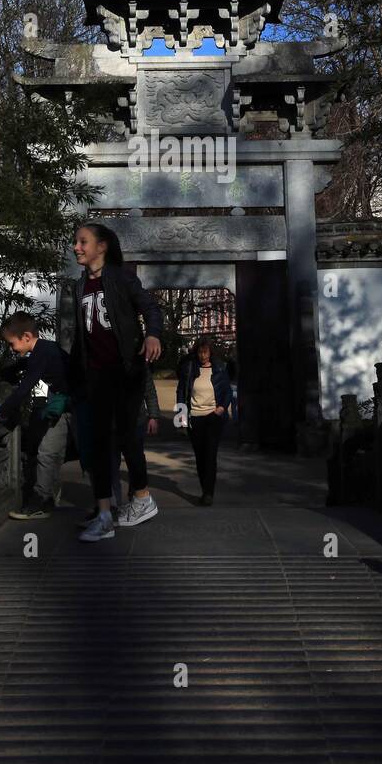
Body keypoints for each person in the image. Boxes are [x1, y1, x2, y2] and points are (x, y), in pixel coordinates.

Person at [70, 221, 163, 542]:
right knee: (98, 445)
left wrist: (152, 334)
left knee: (126, 438)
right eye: (75, 242)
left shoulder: (122, 278)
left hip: (126, 372)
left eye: (83, 242)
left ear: (102, 246)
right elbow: (80, 340)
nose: (76, 247)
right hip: (96, 377)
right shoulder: (78, 287)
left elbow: (151, 308)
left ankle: (142, 498)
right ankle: (105, 516)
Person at [0, 313, 72, 520]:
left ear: (27, 337)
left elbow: (23, 389)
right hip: (65, 405)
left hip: (75, 406)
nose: (12, 349)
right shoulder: (45, 349)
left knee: (52, 453)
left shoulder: (42, 353)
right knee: (48, 452)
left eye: (12, 344)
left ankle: (41, 501)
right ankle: (44, 501)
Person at [76, 367, 161, 528]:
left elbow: (148, 387)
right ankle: (113, 507)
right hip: (112, 419)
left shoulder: (131, 359)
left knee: (133, 458)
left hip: (131, 419)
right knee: (110, 464)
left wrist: (153, 415)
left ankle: (136, 499)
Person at [176, 336, 232, 505]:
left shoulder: (220, 368)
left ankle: (209, 493)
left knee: (210, 455)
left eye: (205, 352)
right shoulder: (189, 368)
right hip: (195, 418)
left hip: (213, 417)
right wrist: (181, 418)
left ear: (210, 352)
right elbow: (181, 393)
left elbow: (227, 391)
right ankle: (204, 489)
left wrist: (221, 408)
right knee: (200, 457)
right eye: (200, 352)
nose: (203, 356)